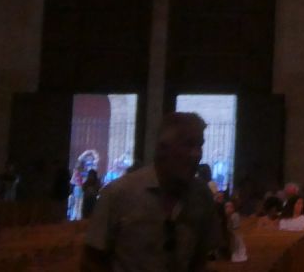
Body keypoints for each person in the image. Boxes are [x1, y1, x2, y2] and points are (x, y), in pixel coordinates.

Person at [80, 111, 222, 272]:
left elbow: (200, 259)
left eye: (199, 145)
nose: (197, 154)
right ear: (162, 149)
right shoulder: (119, 194)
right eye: (188, 144)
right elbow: (92, 261)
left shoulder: (201, 196)